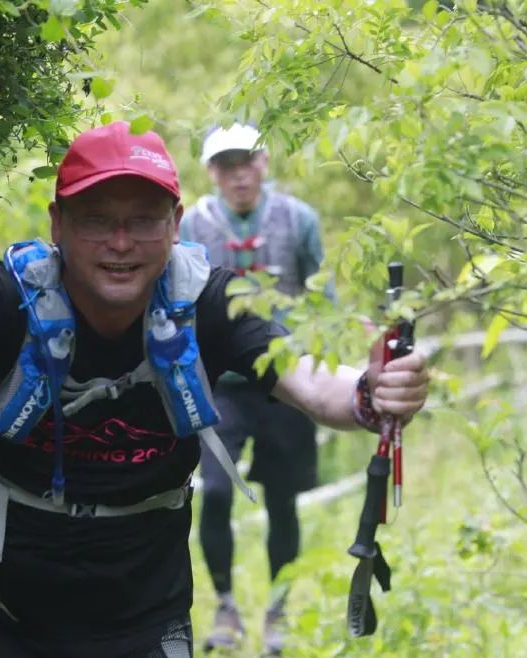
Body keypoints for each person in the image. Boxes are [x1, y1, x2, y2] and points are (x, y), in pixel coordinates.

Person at [0, 121, 429, 658]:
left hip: (150, 614)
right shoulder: (4, 292)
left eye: (143, 220)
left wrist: (368, 390)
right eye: (95, 220)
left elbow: (305, 378)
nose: (120, 242)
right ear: (57, 224)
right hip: (15, 609)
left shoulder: (209, 300)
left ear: (176, 223)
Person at [178, 122, 332, 655]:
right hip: (220, 383)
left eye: (246, 161)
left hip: (287, 379)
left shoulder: (298, 220)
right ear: (212, 172)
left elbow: (323, 296)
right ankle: (224, 604)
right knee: (214, 492)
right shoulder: (193, 225)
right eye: (226, 164)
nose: (238, 173)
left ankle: (278, 610)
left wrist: (328, 363)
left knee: (283, 499)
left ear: (263, 163)